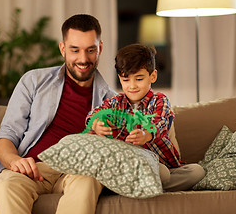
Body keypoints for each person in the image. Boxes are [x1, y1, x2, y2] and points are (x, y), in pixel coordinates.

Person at [0, 14, 116, 214]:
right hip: (31, 169)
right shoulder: (34, 81)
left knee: (89, 180)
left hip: (77, 172)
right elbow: (7, 134)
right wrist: (14, 160)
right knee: (6, 184)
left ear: (100, 48)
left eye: (91, 50)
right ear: (62, 48)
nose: (83, 59)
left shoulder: (112, 101)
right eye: (75, 50)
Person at [86, 43, 205, 192]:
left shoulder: (159, 100)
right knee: (160, 174)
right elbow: (94, 114)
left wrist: (147, 134)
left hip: (160, 165)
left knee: (195, 171)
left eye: (139, 79)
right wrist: (96, 124)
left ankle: (128, 188)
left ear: (152, 76)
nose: (132, 86)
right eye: (126, 80)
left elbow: (161, 121)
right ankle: (138, 186)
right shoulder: (116, 103)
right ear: (120, 79)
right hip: (130, 165)